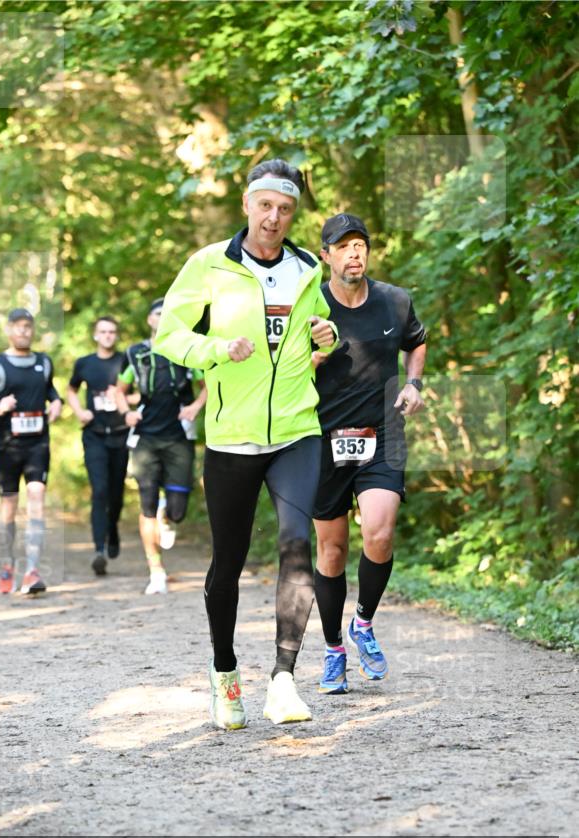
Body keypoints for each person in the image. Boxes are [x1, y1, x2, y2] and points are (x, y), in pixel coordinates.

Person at [154, 158, 338, 730]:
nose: (274, 218)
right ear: (247, 204)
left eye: (285, 209)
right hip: (232, 437)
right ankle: (225, 673)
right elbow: (169, 336)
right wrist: (214, 350)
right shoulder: (209, 264)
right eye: (266, 206)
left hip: (295, 431)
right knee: (227, 564)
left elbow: (320, 327)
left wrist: (325, 336)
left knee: (295, 544)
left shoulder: (308, 267)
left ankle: (283, 680)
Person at [312, 213, 427, 693]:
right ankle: (334, 648)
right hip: (320, 439)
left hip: (383, 432)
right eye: (344, 246)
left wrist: (414, 383)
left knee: (379, 532)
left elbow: (417, 343)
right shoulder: (308, 305)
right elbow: (278, 366)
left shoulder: (395, 301)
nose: (354, 253)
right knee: (332, 550)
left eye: (360, 244)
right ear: (327, 256)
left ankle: (363, 622)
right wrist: (313, 355)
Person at [116, 297, 207, 595]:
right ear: (151, 320)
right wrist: (126, 411)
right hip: (145, 438)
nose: (162, 317)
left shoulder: (186, 351)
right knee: (146, 503)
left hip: (179, 436)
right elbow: (120, 390)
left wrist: (195, 406)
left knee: (178, 511)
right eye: (158, 313)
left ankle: (168, 514)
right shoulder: (136, 354)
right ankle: (156, 570)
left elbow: (208, 383)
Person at [0, 308, 62, 595]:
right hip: (7, 446)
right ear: (10, 330)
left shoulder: (44, 362)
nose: (24, 331)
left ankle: (32, 570)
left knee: (36, 498)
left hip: (38, 444)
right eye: (19, 327)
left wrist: (58, 403)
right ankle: (7, 565)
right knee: (9, 507)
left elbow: (51, 391)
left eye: (28, 327)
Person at [67, 316, 129, 576]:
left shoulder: (126, 360)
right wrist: (80, 411)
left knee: (115, 493)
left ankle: (112, 527)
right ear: (95, 335)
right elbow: (71, 390)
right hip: (94, 435)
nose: (107, 336)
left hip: (121, 433)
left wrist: (122, 398)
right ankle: (98, 550)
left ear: (116, 336)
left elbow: (137, 392)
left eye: (112, 332)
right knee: (100, 490)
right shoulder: (84, 363)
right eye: (102, 331)